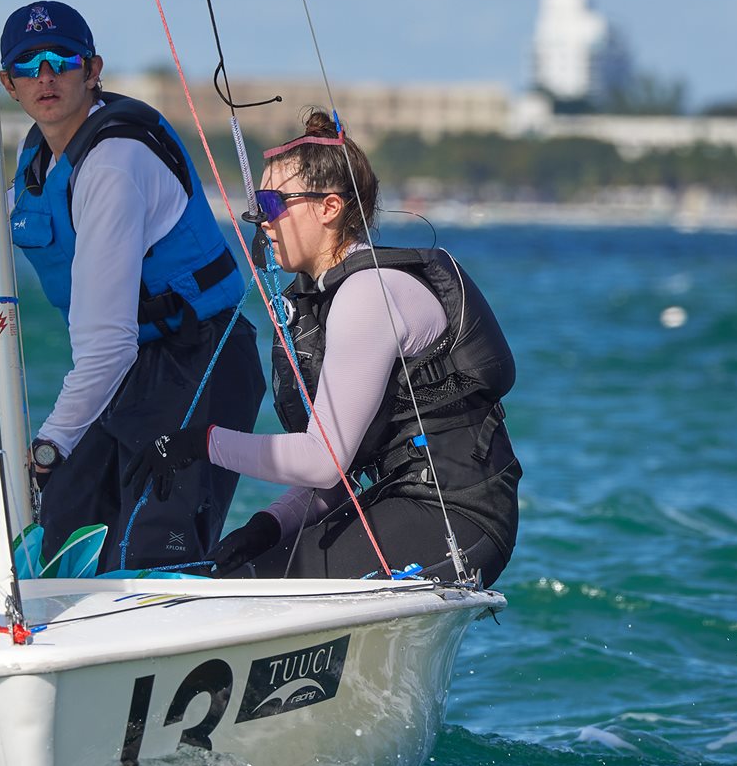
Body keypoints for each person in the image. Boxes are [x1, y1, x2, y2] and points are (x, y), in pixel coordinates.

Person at [129, 110, 520, 586]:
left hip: (457, 516)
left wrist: (200, 443)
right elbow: (339, 471)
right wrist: (266, 527)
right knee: (227, 576)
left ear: (329, 208)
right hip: (408, 500)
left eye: (272, 204)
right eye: (257, 206)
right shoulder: (333, 298)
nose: (260, 221)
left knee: (240, 592)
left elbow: (322, 459)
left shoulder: (367, 295)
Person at [2, 0, 265, 572]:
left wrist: (49, 445)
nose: (45, 77)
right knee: (62, 538)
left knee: (144, 555)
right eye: (27, 65)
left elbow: (107, 345)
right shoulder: (36, 159)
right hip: (132, 368)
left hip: (198, 358)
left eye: (61, 60)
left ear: (92, 70)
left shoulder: (113, 164)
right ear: (8, 84)